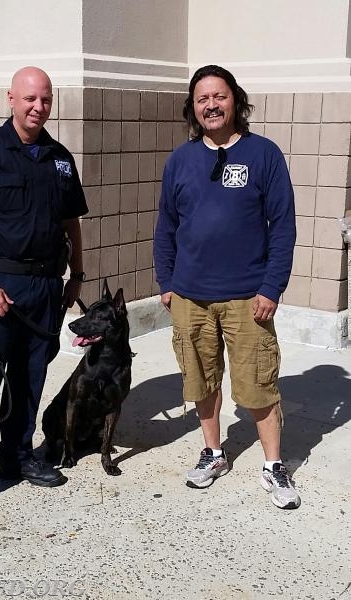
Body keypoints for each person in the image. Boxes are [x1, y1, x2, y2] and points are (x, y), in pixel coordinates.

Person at [0, 66, 88, 527]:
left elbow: (71, 223)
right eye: (28, 98)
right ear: (11, 99)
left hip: (47, 288)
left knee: (30, 380)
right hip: (0, 288)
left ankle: (17, 456)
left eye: (44, 99)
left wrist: (77, 275)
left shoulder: (60, 158)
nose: (37, 107)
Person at [154, 64, 300, 509]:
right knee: (201, 381)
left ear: (235, 101)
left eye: (219, 96)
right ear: (193, 109)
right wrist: (166, 282)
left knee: (257, 385)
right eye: (202, 99)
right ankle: (213, 453)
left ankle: (274, 464)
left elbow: (284, 227)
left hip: (247, 296)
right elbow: (166, 226)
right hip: (190, 296)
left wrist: (272, 287)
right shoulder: (180, 160)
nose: (211, 105)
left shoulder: (264, 154)